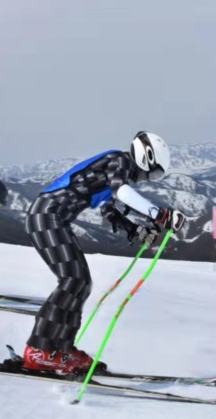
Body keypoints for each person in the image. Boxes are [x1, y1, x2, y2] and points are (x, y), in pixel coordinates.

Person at [21, 131, 187, 375]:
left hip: (55, 219)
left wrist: (136, 231)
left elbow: (111, 212)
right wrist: (160, 214)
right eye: (154, 172)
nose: (150, 179)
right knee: (72, 280)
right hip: (45, 216)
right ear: (145, 158)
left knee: (81, 283)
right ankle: (39, 350)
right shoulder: (118, 160)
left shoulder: (119, 174)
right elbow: (122, 193)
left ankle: (62, 349)